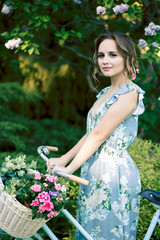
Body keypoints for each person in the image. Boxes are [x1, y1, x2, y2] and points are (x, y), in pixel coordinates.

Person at [47, 32, 145, 240]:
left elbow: (100, 135)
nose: (105, 61)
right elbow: (91, 133)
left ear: (128, 57)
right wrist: (63, 159)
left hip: (113, 173)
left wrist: (70, 169)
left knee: (106, 232)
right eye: (101, 55)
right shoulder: (105, 92)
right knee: (89, 230)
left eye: (113, 54)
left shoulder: (130, 93)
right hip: (93, 169)